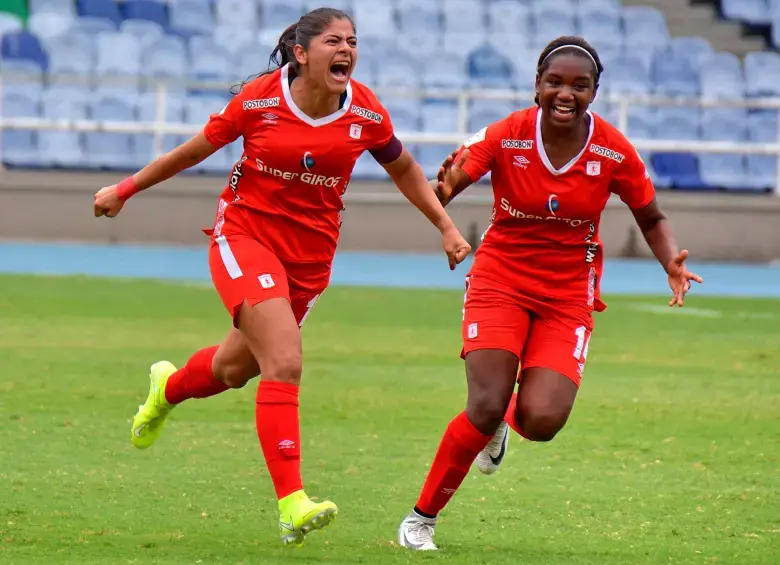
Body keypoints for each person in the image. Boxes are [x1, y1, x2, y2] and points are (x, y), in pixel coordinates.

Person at [93, 8, 471, 547]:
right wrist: (124, 190)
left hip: (309, 262)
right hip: (244, 239)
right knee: (285, 360)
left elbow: (404, 168)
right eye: (334, 41)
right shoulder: (260, 101)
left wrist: (446, 226)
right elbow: (194, 150)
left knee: (231, 368)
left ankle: (167, 388)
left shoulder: (364, 111)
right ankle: (292, 502)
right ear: (301, 52)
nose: (347, 50)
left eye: (353, 41)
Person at [397, 36, 703, 551]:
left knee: (542, 420)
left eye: (579, 86)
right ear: (537, 85)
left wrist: (670, 259)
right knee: (485, 401)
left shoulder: (612, 149)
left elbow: (650, 215)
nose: (566, 94)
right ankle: (420, 519)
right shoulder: (507, 135)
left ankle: (503, 424)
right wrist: (444, 209)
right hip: (500, 278)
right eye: (554, 82)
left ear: (595, 92)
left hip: (567, 294)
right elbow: (441, 188)